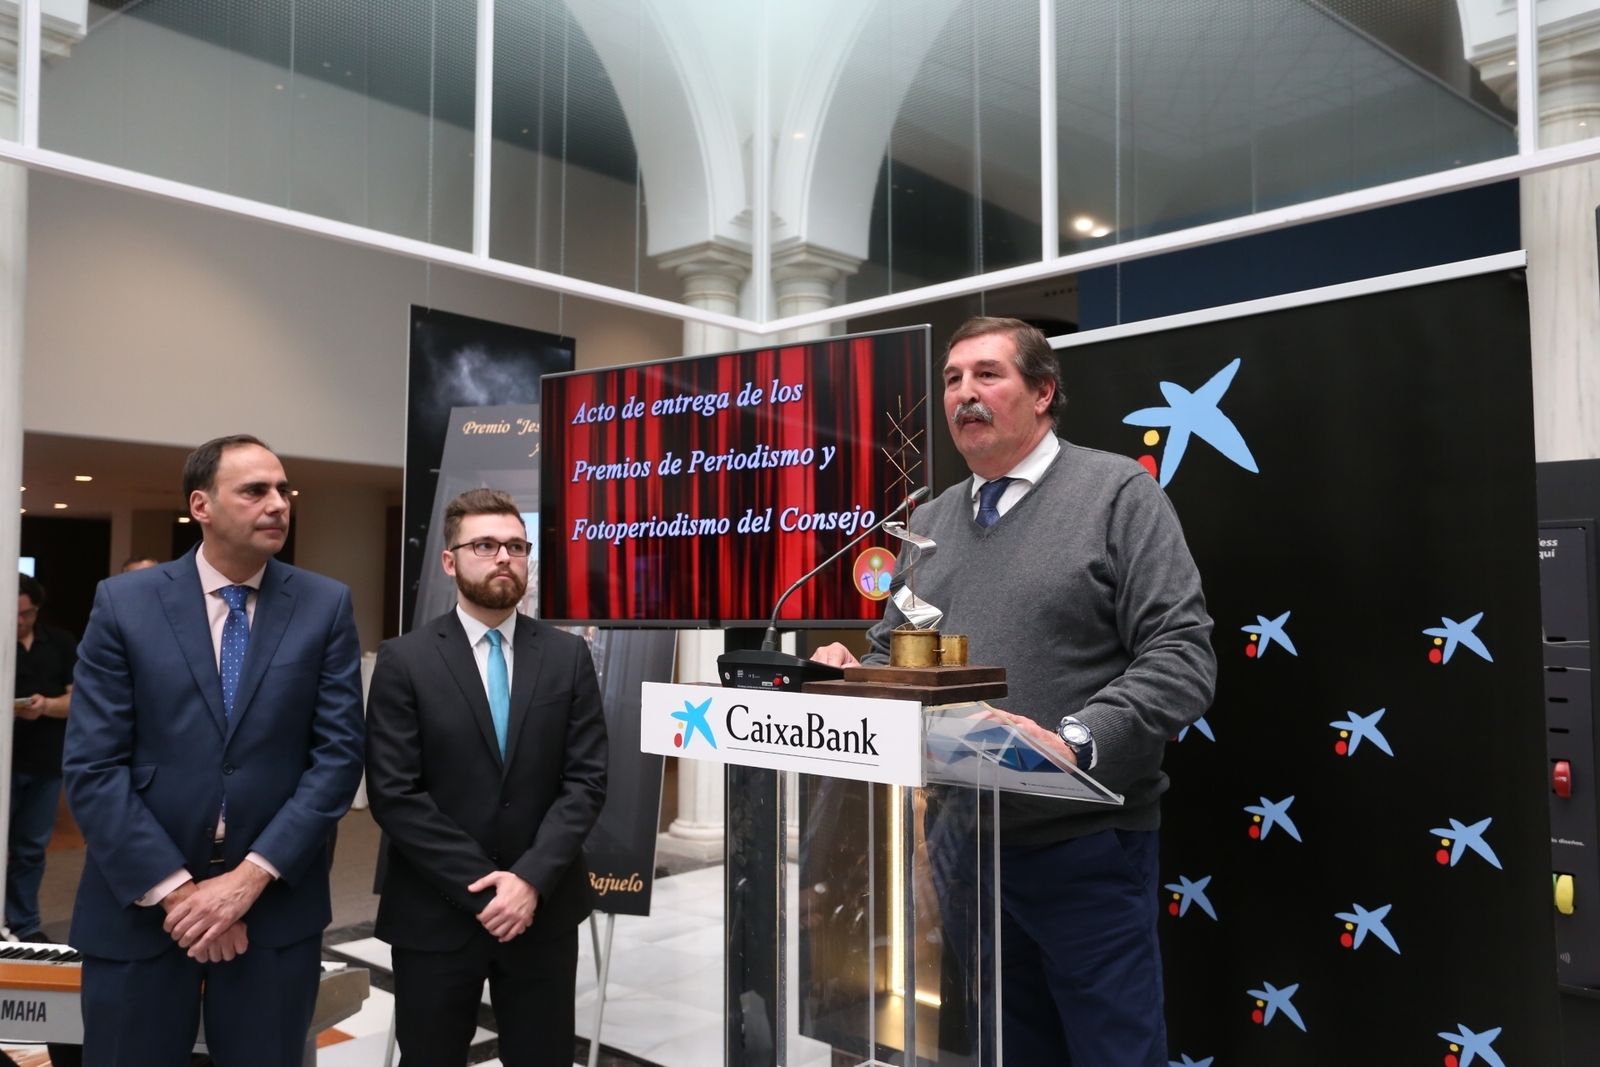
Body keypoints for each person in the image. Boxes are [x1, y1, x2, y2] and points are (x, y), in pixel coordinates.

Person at [815, 316, 1217, 1066]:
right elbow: (893, 650)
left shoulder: (1117, 493)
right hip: (963, 847)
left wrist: (1078, 740)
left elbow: (1183, 653)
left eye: (987, 374)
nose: (965, 393)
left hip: (1084, 850)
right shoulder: (929, 522)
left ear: (1043, 392)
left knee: (1115, 1052)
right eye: (952, 379)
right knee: (1010, 1048)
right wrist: (851, 671)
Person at [64, 434, 365, 1066]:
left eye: (284, 490)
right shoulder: (124, 604)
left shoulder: (324, 604)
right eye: (255, 491)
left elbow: (337, 758)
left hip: (274, 906)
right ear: (201, 505)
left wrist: (244, 883)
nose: (278, 504)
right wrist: (181, 895)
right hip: (142, 906)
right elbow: (94, 768)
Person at [366, 488, 607, 1067]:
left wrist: (526, 882)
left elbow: (586, 782)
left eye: (516, 546)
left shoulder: (567, 657)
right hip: (434, 909)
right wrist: (485, 884)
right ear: (450, 561)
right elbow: (395, 793)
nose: (504, 557)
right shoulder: (405, 659)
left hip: (541, 911)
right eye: (485, 545)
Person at [9, 574, 75, 940]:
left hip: (45, 761)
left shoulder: (61, 643)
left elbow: (77, 700)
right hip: (4, 763)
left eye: (27, 614)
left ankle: (25, 924)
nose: (20, 622)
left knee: (31, 848)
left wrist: (46, 706)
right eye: (13, 614)